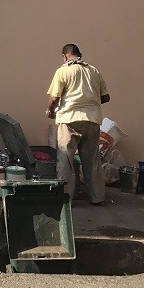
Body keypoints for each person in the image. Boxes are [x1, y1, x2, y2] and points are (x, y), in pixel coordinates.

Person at [45, 43, 110, 205]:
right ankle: (98, 198)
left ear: (65, 56)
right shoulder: (94, 71)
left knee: (65, 158)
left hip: (69, 119)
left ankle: (65, 198)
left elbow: (54, 97)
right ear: (80, 54)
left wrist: (50, 110)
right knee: (92, 160)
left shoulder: (63, 71)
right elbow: (106, 97)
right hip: (92, 120)